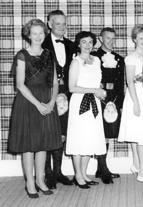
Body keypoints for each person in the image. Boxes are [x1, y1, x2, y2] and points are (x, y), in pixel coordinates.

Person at [9, 19, 62, 198]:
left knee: (43, 144)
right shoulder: (22, 55)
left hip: (47, 101)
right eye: (35, 33)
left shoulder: (48, 54)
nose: (38, 36)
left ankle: (40, 180)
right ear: (28, 35)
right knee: (28, 145)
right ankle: (30, 183)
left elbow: (55, 82)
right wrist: (38, 104)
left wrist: (52, 102)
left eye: (41, 33)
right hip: (28, 102)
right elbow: (20, 85)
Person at [65, 31, 106, 189]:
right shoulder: (76, 62)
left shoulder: (96, 60)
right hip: (80, 103)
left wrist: (100, 90)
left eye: (90, 42)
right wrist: (93, 90)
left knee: (90, 138)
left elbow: (97, 82)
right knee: (79, 138)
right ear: (79, 44)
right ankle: (78, 175)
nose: (88, 45)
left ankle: (84, 173)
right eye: (84, 42)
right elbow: (71, 87)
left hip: (94, 102)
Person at [42, 10, 75, 189]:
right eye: (58, 23)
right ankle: (48, 174)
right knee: (48, 132)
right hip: (47, 93)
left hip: (67, 93)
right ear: (49, 24)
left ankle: (58, 172)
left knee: (62, 132)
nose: (62, 27)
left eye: (64, 23)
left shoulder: (70, 45)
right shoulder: (42, 43)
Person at [118, 25, 143, 182]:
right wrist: (136, 103)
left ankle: (136, 165)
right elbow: (130, 82)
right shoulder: (131, 58)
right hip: (136, 96)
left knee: (139, 132)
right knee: (140, 134)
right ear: (134, 39)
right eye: (140, 38)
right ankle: (142, 170)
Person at [91, 27, 125, 184]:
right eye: (108, 38)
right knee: (99, 132)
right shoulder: (93, 57)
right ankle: (104, 169)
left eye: (113, 38)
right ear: (101, 39)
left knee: (108, 132)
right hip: (98, 96)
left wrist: (120, 102)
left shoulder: (119, 58)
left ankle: (100, 168)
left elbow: (120, 84)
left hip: (114, 97)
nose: (111, 41)